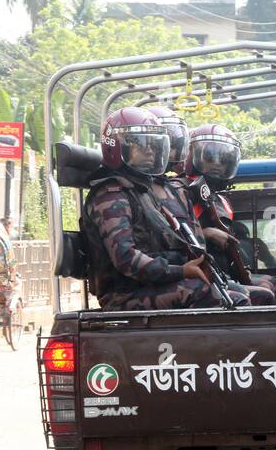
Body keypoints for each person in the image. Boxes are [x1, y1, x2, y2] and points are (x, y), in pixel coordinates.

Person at [83, 107, 241, 310]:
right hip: (124, 295)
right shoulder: (110, 194)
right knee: (211, 295)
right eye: (139, 144)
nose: (149, 150)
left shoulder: (142, 190)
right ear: (116, 146)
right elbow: (126, 260)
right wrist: (181, 271)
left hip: (150, 286)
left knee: (237, 296)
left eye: (152, 144)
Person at [173, 123, 274, 305]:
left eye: (224, 160)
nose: (217, 164)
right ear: (191, 155)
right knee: (262, 293)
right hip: (197, 273)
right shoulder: (179, 191)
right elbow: (170, 235)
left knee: (270, 283)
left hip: (222, 271)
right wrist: (207, 233)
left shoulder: (219, 199)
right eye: (210, 157)